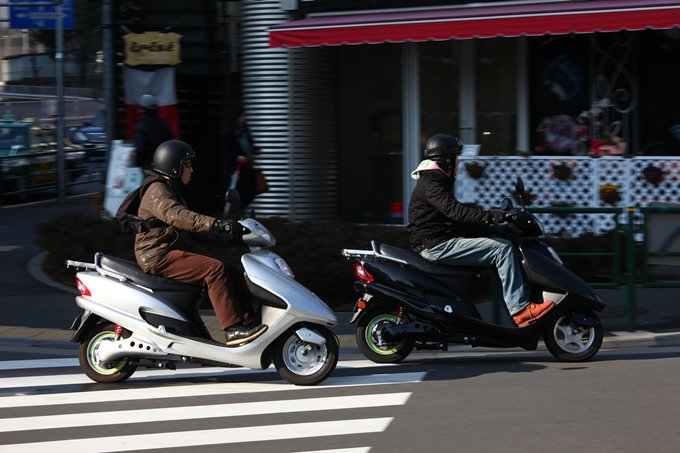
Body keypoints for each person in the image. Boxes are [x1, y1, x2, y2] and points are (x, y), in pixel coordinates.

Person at [408, 134, 555, 327]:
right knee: (501, 249)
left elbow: (451, 217)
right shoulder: (432, 184)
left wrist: (491, 226)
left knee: (496, 240)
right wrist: (495, 216)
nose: (459, 162)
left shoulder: (435, 181)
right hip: (435, 245)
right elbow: (455, 211)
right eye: (456, 157)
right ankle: (520, 310)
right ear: (446, 160)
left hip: (438, 240)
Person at [134, 139, 267, 346]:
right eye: (187, 164)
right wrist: (219, 225)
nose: (191, 170)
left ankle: (249, 323)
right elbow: (180, 217)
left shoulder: (170, 189)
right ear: (173, 165)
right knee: (214, 270)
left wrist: (225, 239)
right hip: (157, 256)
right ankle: (232, 330)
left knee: (230, 271)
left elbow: (189, 231)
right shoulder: (157, 191)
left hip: (169, 251)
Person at [222, 104, 260, 212]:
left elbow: (249, 144)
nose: (244, 118)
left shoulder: (245, 130)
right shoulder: (230, 133)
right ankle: (229, 214)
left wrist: (254, 149)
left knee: (250, 191)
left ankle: (240, 210)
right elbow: (226, 150)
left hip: (247, 168)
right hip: (235, 170)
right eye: (241, 116)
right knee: (233, 192)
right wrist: (237, 158)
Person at [134, 94, 174, 169]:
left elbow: (140, 148)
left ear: (142, 109)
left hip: (148, 165)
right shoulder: (163, 124)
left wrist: (136, 163)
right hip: (164, 164)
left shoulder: (142, 125)